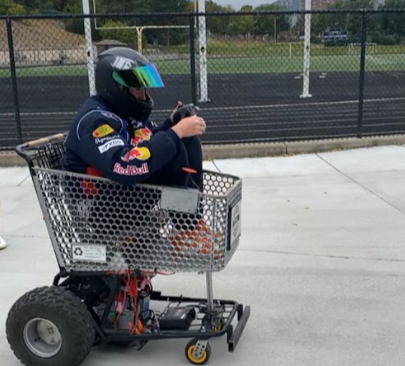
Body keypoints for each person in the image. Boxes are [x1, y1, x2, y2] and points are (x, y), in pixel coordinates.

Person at [63, 47, 216, 256]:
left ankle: (192, 224)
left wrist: (171, 124)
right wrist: (173, 133)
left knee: (186, 140)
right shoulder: (94, 121)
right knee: (172, 145)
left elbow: (146, 141)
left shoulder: (121, 112)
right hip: (99, 215)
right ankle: (185, 230)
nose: (143, 94)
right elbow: (125, 167)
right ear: (117, 87)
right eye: (138, 88)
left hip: (117, 201)